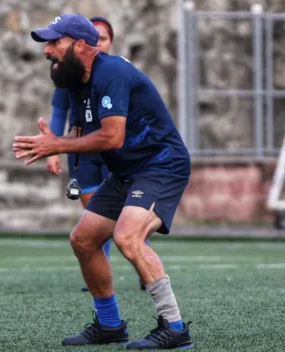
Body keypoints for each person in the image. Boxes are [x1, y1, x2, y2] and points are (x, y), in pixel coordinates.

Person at [13, 13, 193, 350]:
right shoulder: (76, 80)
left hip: (161, 165)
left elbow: (111, 137)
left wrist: (56, 144)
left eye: (55, 42)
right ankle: (110, 325)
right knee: (83, 240)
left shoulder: (111, 73)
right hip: (127, 171)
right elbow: (86, 133)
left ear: (80, 45)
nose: (47, 50)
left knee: (127, 236)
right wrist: (61, 150)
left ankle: (175, 327)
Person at [46, 16, 149, 292]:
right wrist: (52, 148)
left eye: (103, 39)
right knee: (94, 221)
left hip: (117, 154)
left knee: (129, 219)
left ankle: (144, 266)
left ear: (109, 42)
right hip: (85, 152)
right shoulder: (70, 78)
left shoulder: (116, 73)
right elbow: (59, 112)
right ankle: (99, 276)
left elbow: (118, 132)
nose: (99, 43)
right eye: (96, 38)